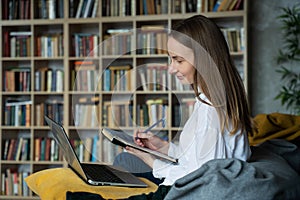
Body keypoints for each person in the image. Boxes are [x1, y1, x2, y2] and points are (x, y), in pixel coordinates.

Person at [113, 14, 253, 199]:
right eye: (171, 59)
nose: (171, 69)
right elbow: (198, 155)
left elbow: (201, 178)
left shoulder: (211, 109)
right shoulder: (213, 99)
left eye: (179, 60)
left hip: (183, 188)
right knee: (124, 161)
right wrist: (162, 146)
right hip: (185, 178)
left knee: (121, 164)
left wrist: (150, 160)